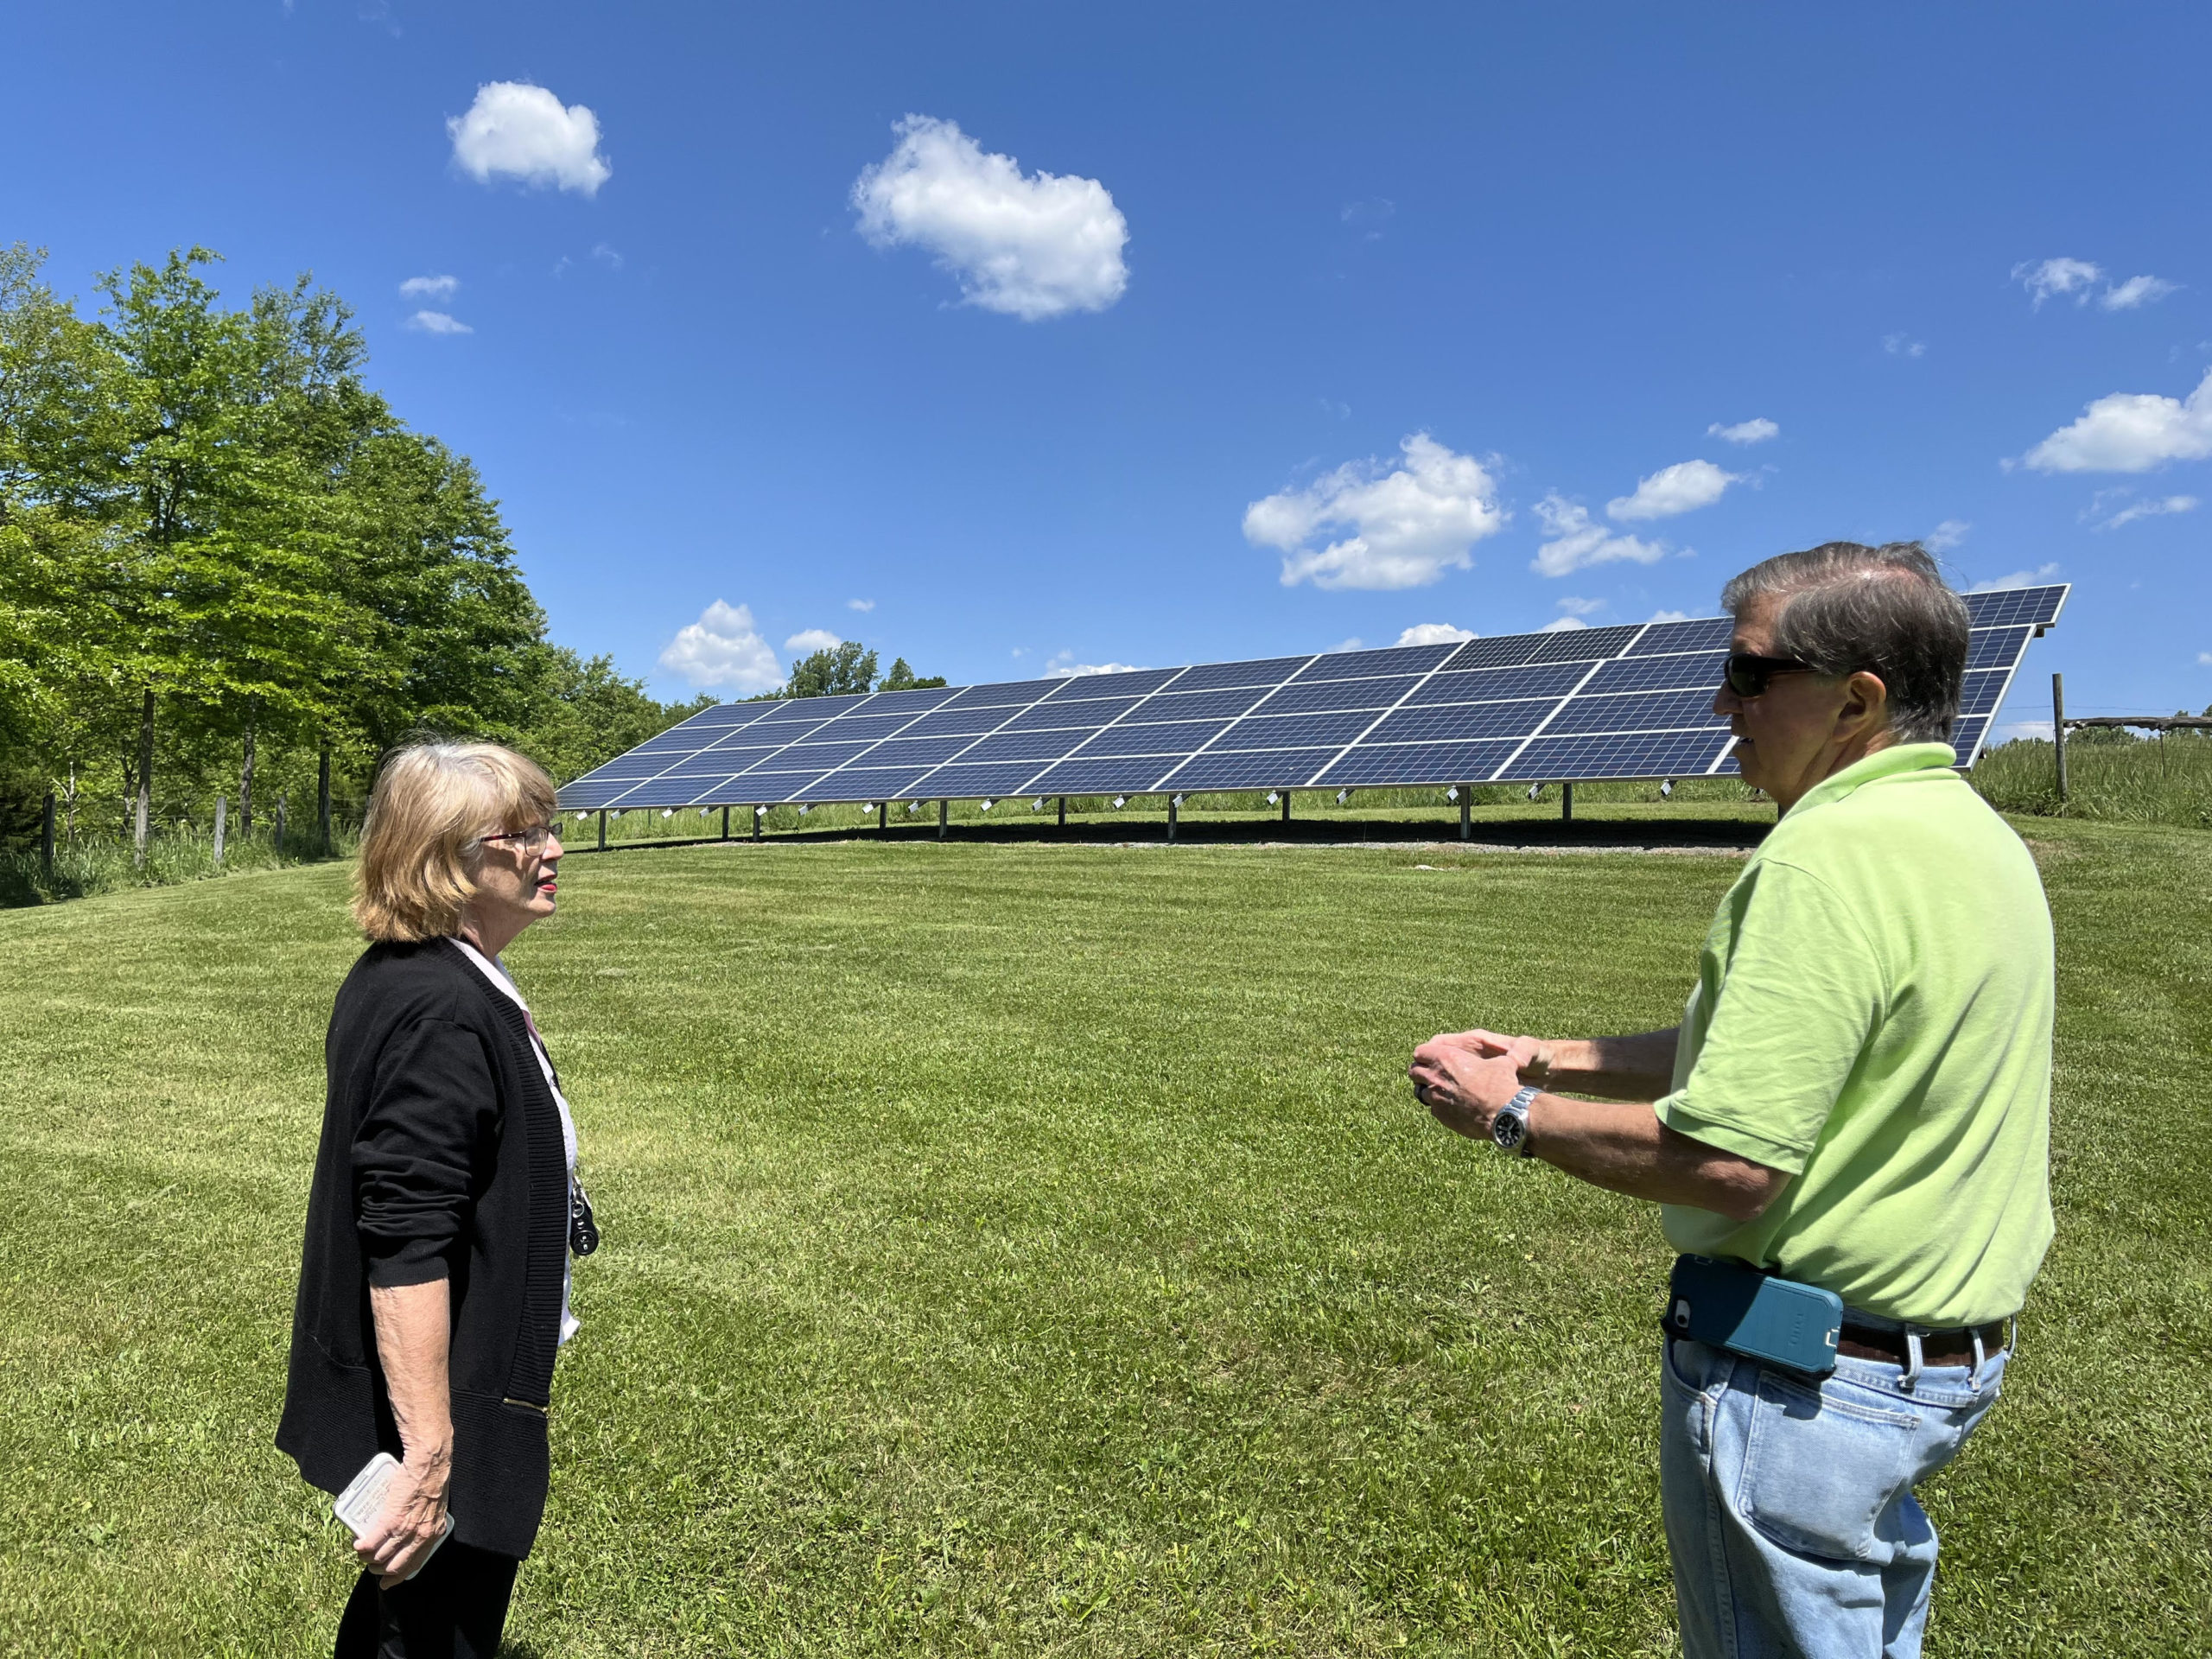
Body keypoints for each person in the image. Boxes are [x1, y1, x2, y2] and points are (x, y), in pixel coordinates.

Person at [1407, 542, 2054, 1658]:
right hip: (1924, 1373)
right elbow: (1782, 1056)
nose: (1721, 701)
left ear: (1858, 700)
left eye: (1753, 675)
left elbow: (1728, 1165)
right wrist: (1553, 1055)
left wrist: (1504, 1112)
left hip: (1804, 1393)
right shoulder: (1968, 840)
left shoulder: (1824, 860)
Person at [277, 742, 594, 1659]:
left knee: (413, 1608)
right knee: (435, 1622)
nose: (552, 849)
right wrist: (432, 1455)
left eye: (551, 825)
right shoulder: (441, 1011)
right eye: (521, 834)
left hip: (446, 1368)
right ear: (446, 861)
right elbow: (407, 1241)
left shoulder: (417, 975)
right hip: (444, 1380)